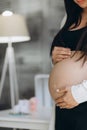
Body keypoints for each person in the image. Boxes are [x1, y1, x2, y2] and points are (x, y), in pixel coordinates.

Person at [49, 0, 87, 130]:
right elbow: (65, 63)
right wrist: (55, 58)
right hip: (64, 107)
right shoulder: (69, 17)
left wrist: (79, 94)